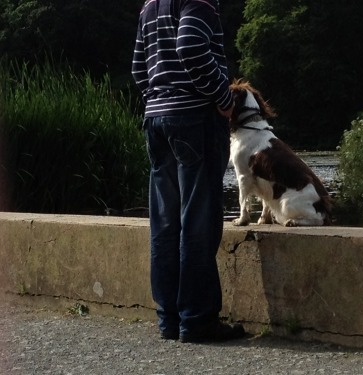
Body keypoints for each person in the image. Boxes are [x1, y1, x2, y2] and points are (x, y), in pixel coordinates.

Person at [131, 0, 244, 343]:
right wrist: (224, 99)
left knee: (165, 224)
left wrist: (158, 96)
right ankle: (196, 320)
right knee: (198, 222)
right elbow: (191, 46)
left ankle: (169, 318)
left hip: (157, 119)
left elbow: (138, 69)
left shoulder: (149, 5)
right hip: (195, 118)